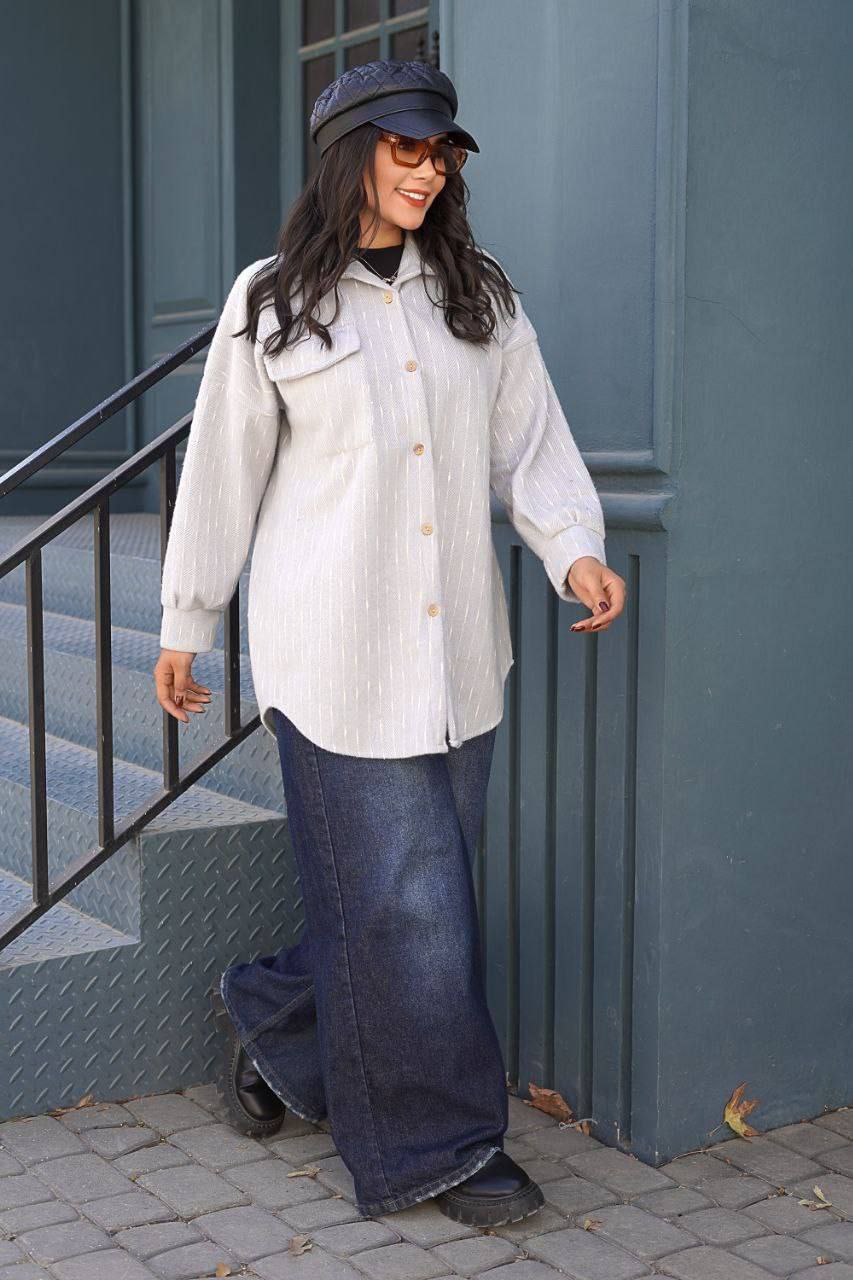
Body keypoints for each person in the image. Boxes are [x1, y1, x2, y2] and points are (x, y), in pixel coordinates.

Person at [153, 58, 626, 1226]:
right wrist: (186, 621)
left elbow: (531, 442)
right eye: (405, 149)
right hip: (333, 654)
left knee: (410, 902)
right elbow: (221, 473)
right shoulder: (272, 302)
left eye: (441, 154)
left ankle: (271, 1017)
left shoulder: (478, 297)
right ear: (347, 155)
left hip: (457, 654)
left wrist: (572, 546)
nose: (428, 172)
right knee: (409, 910)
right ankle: (440, 1148)